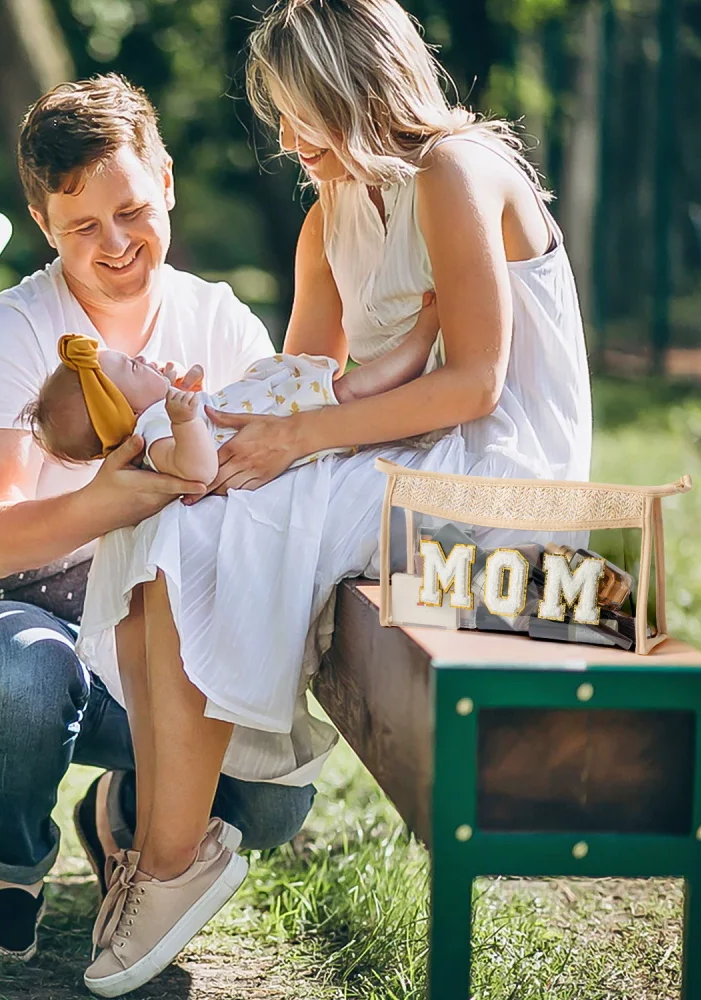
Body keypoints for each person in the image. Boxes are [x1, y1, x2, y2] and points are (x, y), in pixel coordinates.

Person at [75, 0, 593, 994]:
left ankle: (175, 857)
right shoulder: (329, 218)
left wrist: (294, 442)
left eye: (294, 111)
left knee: (222, 526)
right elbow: (309, 378)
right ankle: (163, 841)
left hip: (496, 475)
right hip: (407, 449)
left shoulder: (456, 170)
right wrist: (208, 424)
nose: (282, 138)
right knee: (174, 507)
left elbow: (476, 382)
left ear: (347, 94)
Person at [0, 73, 318, 962]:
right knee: (24, 676)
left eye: (132, 210)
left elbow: (269, 478)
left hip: (154, 646)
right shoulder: (10, 331)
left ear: (166, 182)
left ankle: (127, 809)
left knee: (277, 803)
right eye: (84, 226)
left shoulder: (219, 321)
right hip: (5, 623)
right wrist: (105, 500)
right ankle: (14, 863)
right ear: (42, 221)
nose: (118, 242)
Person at [23, 294, 440, 475]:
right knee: (348, 392)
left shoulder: (157, 419)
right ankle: (418, 346)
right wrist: (185, 422)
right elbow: (197, 469)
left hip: (275, 412)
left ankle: (414, 369)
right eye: (134, 368)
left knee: (347, 388)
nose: (145, 360)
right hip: (283, 424)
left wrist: (194, 395)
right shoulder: (152, 436)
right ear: (126, 412)